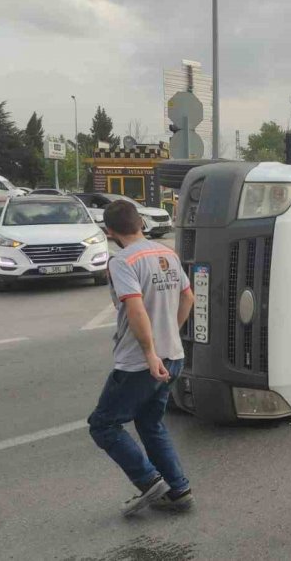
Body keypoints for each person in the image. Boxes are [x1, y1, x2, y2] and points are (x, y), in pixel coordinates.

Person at [88, 200, 195, 517]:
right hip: (173, 356)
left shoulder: (122, 261)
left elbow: (134, 307)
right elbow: (188, 296)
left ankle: (150, 482)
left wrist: (150, 352)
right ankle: (178, 490)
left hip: (139, 363)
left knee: (103, 426)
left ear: (110, 231)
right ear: (140, 223)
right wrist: (169, 334)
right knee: (150, 423)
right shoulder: (166, 253)